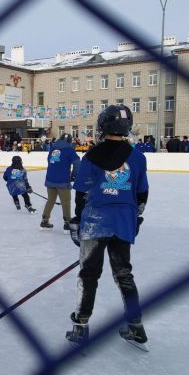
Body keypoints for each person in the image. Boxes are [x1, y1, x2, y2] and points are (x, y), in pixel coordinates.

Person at [66, 104, 149, 350]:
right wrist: (136, 216)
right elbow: (142, 194)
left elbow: (81, 193)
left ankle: (81, 327)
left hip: (95, 222)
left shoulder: (91, 156)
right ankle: (135, 325)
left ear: (103, 126)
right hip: (123, 221)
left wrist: (78, 222)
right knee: (124, 274)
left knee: (88, 274)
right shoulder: (138, 157)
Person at [40, 133, 80, 232]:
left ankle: (44, 221)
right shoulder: (69, 149)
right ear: (69, 141)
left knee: (51, 200)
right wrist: (74, 174)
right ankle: (67, 223)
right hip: (62, 180)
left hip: (50, 179)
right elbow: (77, 162)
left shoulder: (53, 148)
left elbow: (49, 160)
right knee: (65, 201)